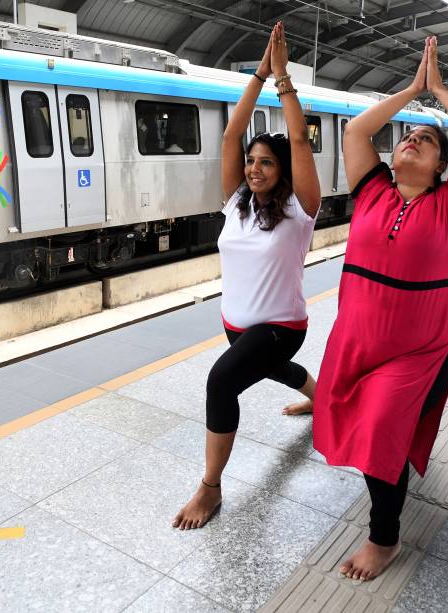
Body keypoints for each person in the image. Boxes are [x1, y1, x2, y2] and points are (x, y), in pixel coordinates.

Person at [313, 36, 448, 580]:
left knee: (380, 432)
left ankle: (383, 539)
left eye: (427, 140)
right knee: (371, 426)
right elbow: (356, 130)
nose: (412, 140)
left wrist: (436, 90)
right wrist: (408, 92)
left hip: (419, 346)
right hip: (358, 336)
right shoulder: (372, 191)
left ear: (443, 166)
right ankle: (396, 487)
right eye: (408, 137)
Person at [172, 22, 321, 530]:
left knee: (222, 382)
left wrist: (282, 81)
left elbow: (299, 137)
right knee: (267, 369)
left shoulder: (302, 211)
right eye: (251, 162)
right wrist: (256, 73)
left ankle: (210, 489)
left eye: (266, 163)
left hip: (281, 326)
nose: (255, 168)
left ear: (284, 171)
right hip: (235, 322)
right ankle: (323, 401)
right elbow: (232, 134)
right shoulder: (235, 203)